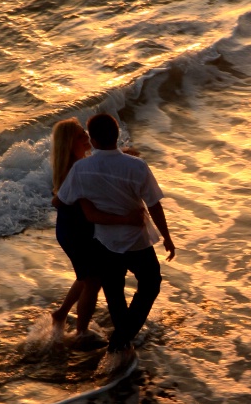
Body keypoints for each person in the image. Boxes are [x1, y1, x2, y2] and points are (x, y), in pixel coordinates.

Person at [57, 112, 175, 370]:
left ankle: (120, 342)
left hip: (105, 242)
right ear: (117, 135)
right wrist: (166, 237)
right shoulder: (136, 166)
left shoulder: (81, 169)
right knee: (150, 284)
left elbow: (63, 199)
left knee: (115, 295)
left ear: (94, 140)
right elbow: (154, 204)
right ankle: (121, 342)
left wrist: (87, 200)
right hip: (137, 241)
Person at [50, 118, 143, 349]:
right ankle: (81, 332)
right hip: (75, 231)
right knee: (93, 280)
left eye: (86, 134)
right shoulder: (75, 169)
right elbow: (64, 203)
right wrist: (127, 219)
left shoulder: (80, 162)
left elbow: (100, 165)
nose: (88, 138)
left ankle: (61, 314)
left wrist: (122, 154)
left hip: (79, 228)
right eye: (82, 136)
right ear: (71, 143)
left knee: (86, 276)